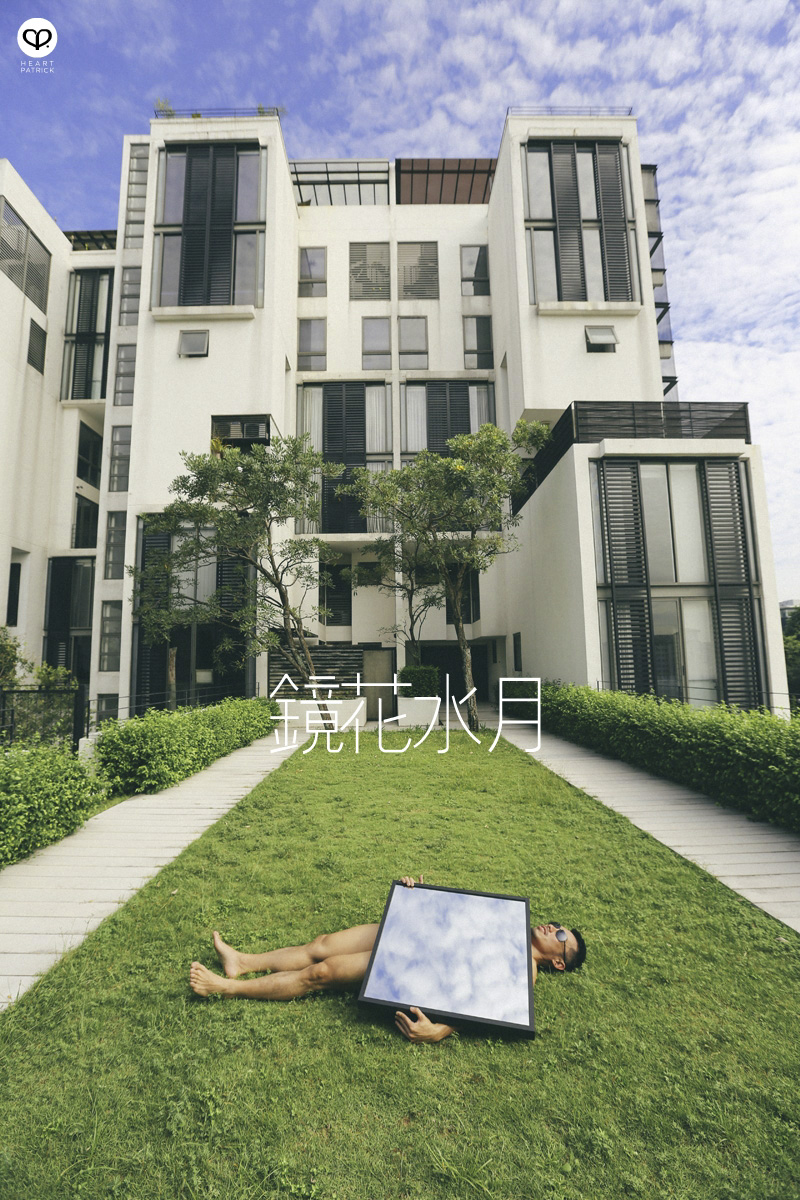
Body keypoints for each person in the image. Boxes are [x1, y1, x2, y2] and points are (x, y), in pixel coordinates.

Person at [189, 877, 587, 1043]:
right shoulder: (506, 916)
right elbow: (452, 910)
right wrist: (417, 892)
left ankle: (227, 986)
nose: (552, 928)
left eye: (561, 935)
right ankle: (242, 960)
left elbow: (481, 1007)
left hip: (411, 965)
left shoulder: (526, 972)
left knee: (321, 972)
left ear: (559, 963)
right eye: (555, 924)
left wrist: (439, 1031)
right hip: (409, 929)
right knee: (323, 944)